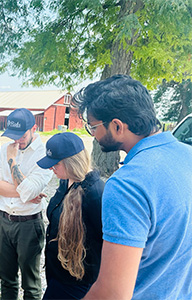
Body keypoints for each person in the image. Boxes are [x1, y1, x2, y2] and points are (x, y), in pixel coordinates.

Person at [72, 74, 192, 299]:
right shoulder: (188, 155)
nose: (93, 135)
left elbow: (112, 293)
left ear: (117, 126)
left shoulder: (127, 184)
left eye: (93, 126)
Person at [0, 108, 53, 300]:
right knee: (6, 280)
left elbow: (29, 189)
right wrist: (24, 192)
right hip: (2, 219)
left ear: (34, 128)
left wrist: (12, 161)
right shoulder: (5, 147)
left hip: (28, 223)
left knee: (31, 284)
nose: (17, 141)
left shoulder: (44, 154)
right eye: (13, 136)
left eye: (22, 135)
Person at [36, 132, 104, 299]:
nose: (51, 169)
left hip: (78, 282)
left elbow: (107, 244)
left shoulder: (96, 193)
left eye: (55, 164)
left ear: (71, 162)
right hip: (57, 272)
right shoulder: (65, 181)